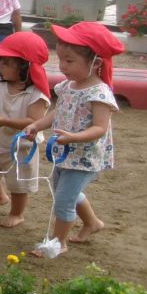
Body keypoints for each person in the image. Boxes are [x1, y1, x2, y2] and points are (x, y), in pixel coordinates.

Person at [23, 22, 123, 257]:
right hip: (65, 151)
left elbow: (100, 127)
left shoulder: (99, 93)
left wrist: (75, 137)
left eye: (69, 61)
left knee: (63, 200)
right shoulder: (68, 86)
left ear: (96, 63)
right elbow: (59, 112)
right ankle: (93, 223)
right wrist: (37, 125)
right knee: (64, 192)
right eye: (61, 60)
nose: (62, 66)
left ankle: (59, 242)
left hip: (85, 157)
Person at [0, 32, 51, 227]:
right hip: (0, 140)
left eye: (6, 63)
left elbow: (34, 121)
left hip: (22, 146)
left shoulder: (36, 94)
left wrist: (6, 121)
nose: (0, 66)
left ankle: (17, 213)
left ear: (24, 67)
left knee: (18, 184)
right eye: (0, 61)